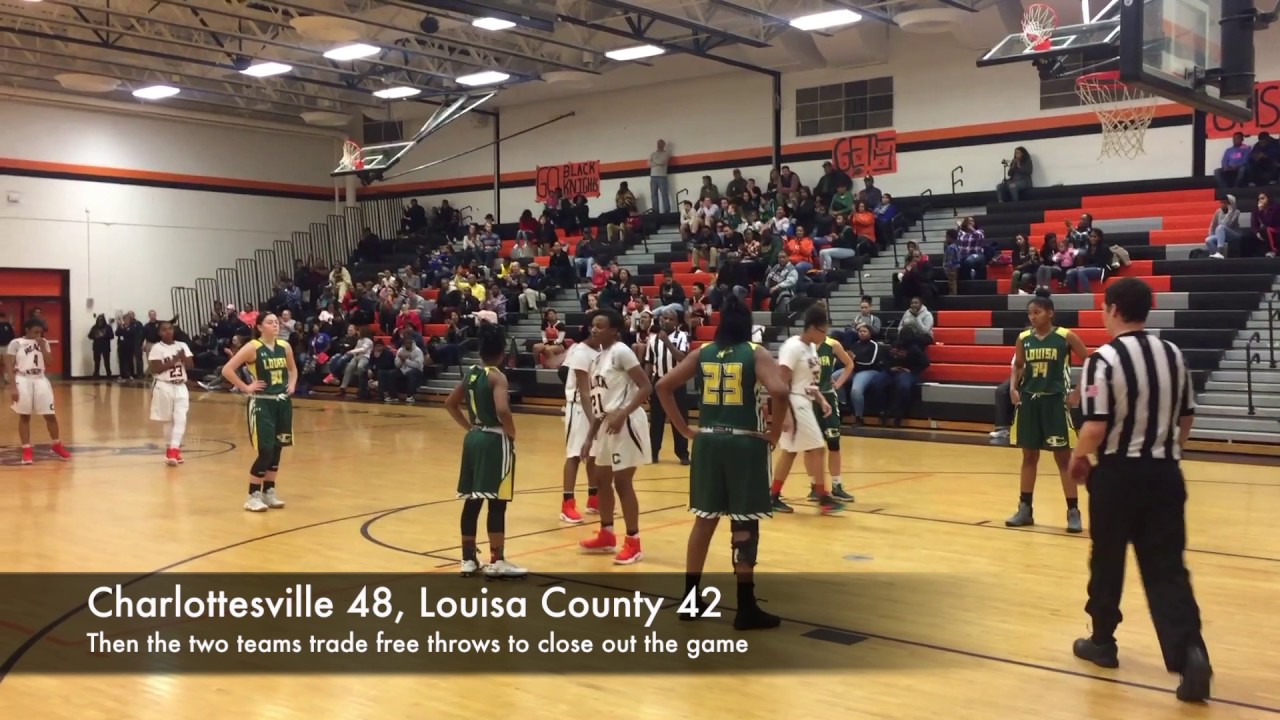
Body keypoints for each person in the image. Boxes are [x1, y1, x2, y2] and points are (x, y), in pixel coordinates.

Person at [1067, 277, 1212, 703]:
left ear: (1113, 308)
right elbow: (1186, 417)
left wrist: (1078, 457)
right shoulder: (1173, 355)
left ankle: (1103, 642)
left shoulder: (1103, 359)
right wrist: (1168, 452)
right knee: (1168, 568)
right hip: (1165, 474)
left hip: (1118, 476)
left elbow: (1095, 426)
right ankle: (1190, 654)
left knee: (1107, 561)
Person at [655, 295, 789, 630]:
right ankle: (745, 607)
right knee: (744, 522)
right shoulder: (754, 353)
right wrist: (774, 433)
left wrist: (684, 429)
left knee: (704, 520)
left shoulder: (702, 353)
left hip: (708, 442)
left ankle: (690, 600)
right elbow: (779, 391)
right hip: (744, 443)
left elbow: (662, 386)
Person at [444, 324, 525, 579]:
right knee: (497, 502)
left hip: (473, 438)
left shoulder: (471, 373)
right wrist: (511, 432)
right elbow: (502, 410)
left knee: (472, 500)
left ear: (480, 351)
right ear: (502, 353)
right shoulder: (497, 377)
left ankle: (468, 559)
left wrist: (470, 427)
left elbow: (450, 403)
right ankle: (497, 560)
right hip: (493, 440)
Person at [1006, 295, 1089, 532]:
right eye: (1030, 313)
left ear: (1050, 313)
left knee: (1063, 458)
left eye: (1037, 312)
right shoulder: (1023, 338)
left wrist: (1078, 392)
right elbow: (1018, 366)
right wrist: (1012, 387)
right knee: (1029, 456)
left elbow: (1090, 361)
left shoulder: (1065, 336)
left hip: (1055, 402)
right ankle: (1025, 508)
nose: (1033, 317)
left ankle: (1073, 511)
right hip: (1029, 402)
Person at [577, 308, 652, 564]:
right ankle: (607, 534)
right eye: (593, 325)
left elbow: (646, 386)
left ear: (614, 331)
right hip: (606, 422)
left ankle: (634, 542)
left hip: (626, 421)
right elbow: (600, 403)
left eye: (600, 326)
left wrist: (623, 412)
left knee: (622, 481)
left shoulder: (622, 351)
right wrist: (590, 436)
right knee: (601, 478)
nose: (594, 329)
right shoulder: (598, 358)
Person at [769, 305, 844, 515]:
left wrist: (821, 399)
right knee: (818, 448)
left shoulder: (811, 348)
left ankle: (773, 496)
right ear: (811, 327)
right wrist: (784, 414)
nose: (825, 336)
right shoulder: (792, 347)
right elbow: (781, 381)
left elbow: (808, 381)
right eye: (822, 331)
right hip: (794, 402)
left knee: (790, 452)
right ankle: (823, 498)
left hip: (805, 400)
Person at [221, 313, 296, 513]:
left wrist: (292, 384)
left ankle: (268, 491)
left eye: (277, 322)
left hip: (282, 402)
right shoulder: (252, 347)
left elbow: (292, 369)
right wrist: (246, 387)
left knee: (278, 449)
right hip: (262, 403)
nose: (275, 325)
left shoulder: (285, 346)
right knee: (266, 450)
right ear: (260, 327)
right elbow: (227, 370)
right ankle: (252, 495)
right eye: (270, 322)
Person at [6, 320, 71, 465]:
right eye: (35, 332)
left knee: (50, 414)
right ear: (27, 330)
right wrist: (12, 387)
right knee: (24, 416)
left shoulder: (44, 342)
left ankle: (56, 444)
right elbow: (9, 367)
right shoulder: (16, 343)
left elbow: (49, 362)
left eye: (40, 332)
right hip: (23, 378)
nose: (38, 335)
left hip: (40, 378)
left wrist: (42, 347)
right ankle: (26, 450)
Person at [559, 327, 601, 524]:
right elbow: (583, 391)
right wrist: (592, 420)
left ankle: (594, 498)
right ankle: (567, 504)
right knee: (574, 455)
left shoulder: (601, 350)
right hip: (578, 408)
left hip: (595, 407)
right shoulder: (580, 351)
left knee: (593, 455)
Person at [814, 317, 856, 501]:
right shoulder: (803, 346)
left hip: (828, 397)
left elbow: (849, 364)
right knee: (812, 446)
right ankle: (815, 486)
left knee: (833, 443)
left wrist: (838, 383)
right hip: (809, 398)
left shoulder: (832, 345)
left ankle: (837, 485)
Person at [644, 309, 691, 465]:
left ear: (677, 322)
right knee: (656, 420)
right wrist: (646, 384)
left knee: (680, 418)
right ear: (660, 320)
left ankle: (683, 453)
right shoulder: (652, 339)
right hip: (658, 382)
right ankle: (653, 452)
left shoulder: (682, 336)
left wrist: (667, 342)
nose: (667, 321)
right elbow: (649, 362)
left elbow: (682, 358)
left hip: (677, 381)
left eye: (671, 319)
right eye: (665, 318)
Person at [148, 320, 194, 466]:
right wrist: (174, 360)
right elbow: (156, 369)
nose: (168, 332)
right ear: (159, 333)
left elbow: (190, 365)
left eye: (170, 329)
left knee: (181, 418)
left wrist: (183, 357)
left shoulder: (182, 345)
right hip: (164, 385)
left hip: (180, 386)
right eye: (164, 329)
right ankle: (170, 450)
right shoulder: (157, 348)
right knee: (168, 420)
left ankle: (174, 450)